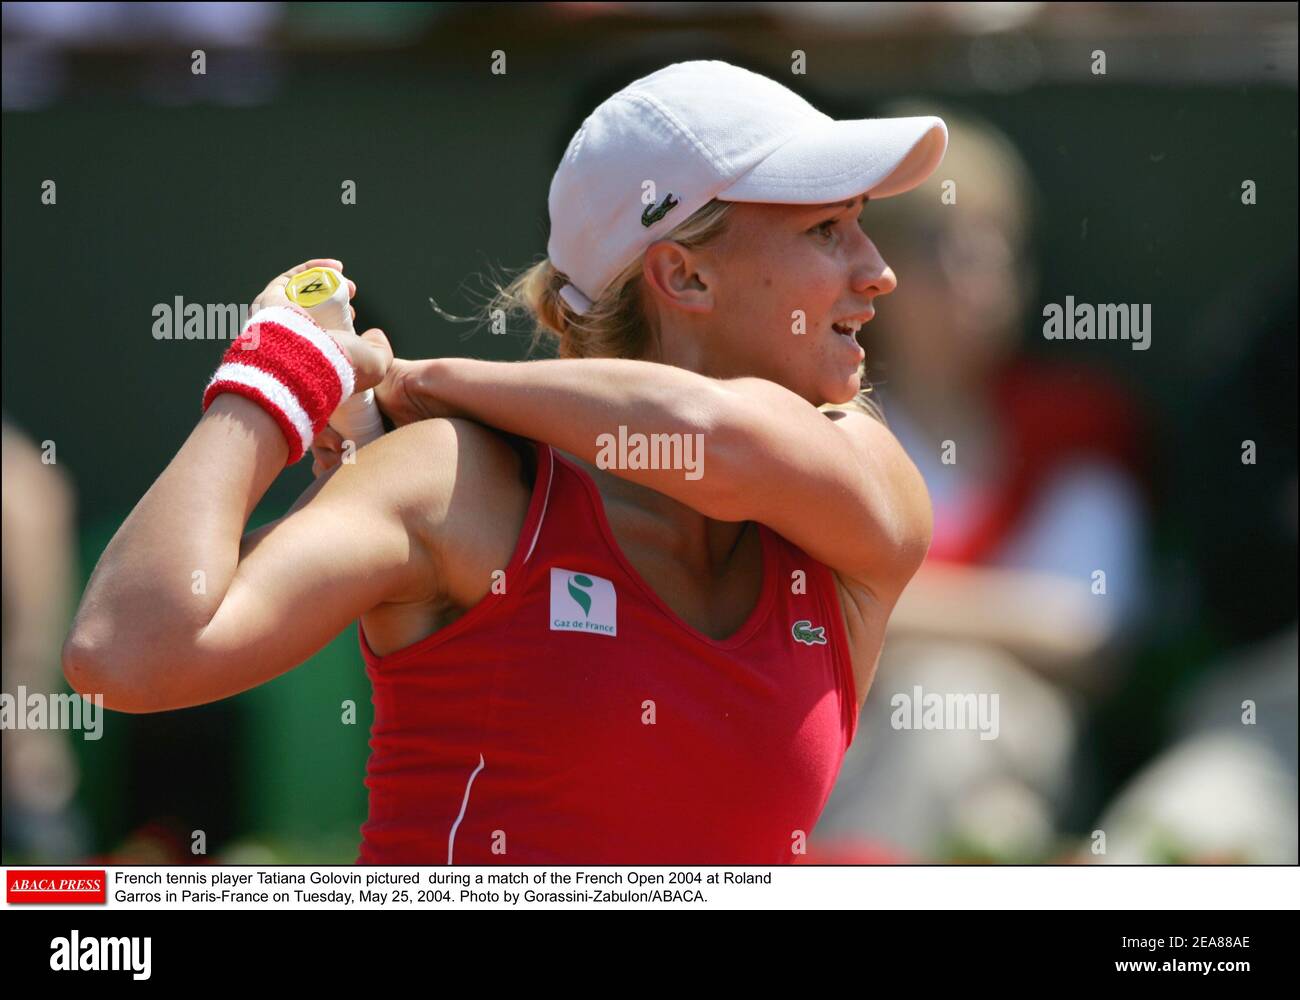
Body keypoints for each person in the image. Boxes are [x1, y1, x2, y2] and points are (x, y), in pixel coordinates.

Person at [63, 60, 947, 865]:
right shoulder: (459, 483)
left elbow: (717, 439)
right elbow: (125, 655)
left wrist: (423, 378)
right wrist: (274, 383)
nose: (877, 272)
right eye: (829, 229)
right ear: (684, 278)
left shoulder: (861, 480)